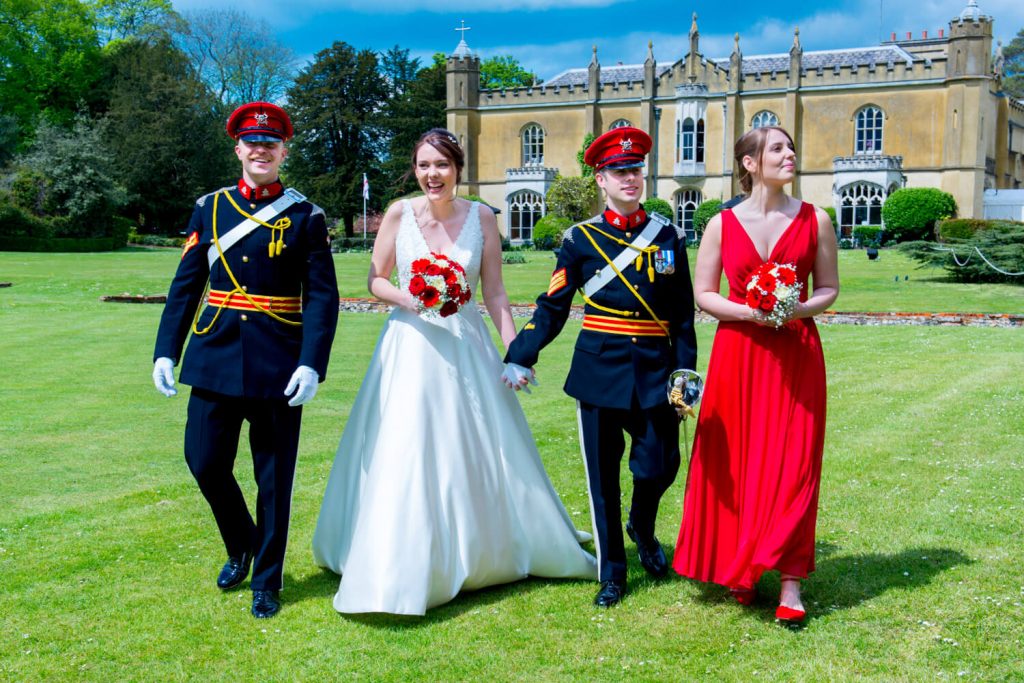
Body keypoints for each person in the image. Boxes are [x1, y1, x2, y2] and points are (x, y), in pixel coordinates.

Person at [311, 128, 596, 616]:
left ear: (457, 169)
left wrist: (515, 352)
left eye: (441, 165)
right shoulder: (399, 213)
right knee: (407, 443)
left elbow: (496, 294)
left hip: (467, 344)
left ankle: (484, 547)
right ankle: (400, 559)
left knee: (482, 442)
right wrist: (411, 298)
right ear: (414, 169)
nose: (431, 175)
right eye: (423, 165)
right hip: (409, 344)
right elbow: (375, 279)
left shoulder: (483, 217)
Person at [152, 102, 339, 619]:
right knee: (204, 461)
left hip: (279, 362)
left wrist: (311, 363)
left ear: (284, 151)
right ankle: (242, 543)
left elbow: (322, 296)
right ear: (238, 149)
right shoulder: (208, 209)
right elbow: (186, 283)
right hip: (214, 356)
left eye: (271, 143)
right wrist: (167, 349)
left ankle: (267, 580)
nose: (261, 149)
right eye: (252, 143)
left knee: (273, 478)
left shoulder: (306, 216)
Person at [503, 127, 698, 608]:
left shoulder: (668, 234)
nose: (630, 178)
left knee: (660, 467)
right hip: (600, 369)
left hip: (656, 370)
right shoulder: (580, 239)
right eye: (619, 171)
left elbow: (682, 314)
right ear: (601, 179)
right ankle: (613, 573)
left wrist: (685, 373)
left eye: (635, 170)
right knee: (602, 480)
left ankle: (643, 528)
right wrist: (520, 353)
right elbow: (552, 307)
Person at [671, 126, 839, 624]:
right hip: (739, 355)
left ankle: (790, 583)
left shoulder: (817, 220)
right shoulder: (721, 224)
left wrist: (795, 308)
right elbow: (704, 293)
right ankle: (742, 566)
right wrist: (751, 312)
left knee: (795, 461)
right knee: (738, 460)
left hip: (796, 354)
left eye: (791, 146)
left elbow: (829, 288)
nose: (790, 154)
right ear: (749, 162)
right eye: (778, 148)